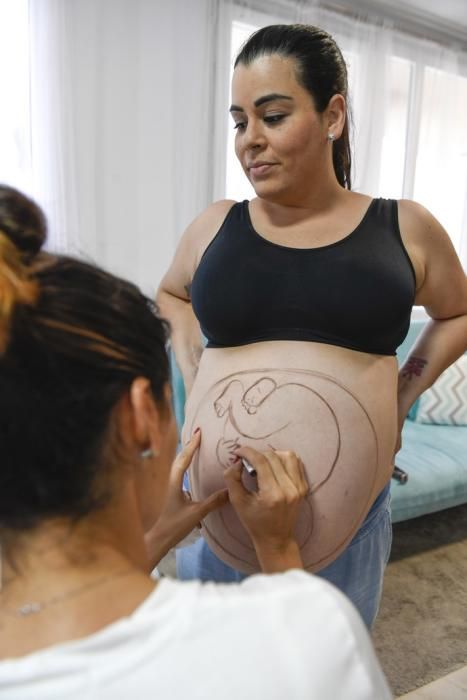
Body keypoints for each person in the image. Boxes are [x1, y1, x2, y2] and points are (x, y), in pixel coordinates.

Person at [0, 184, 393, 699]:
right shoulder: (308, 639)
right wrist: (277, 549)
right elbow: (304, 647)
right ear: (142, 416)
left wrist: (157, 535)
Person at [156, 23, 467, 628]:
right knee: (211, 674)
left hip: (344, 532)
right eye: (240, 121)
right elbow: (172, 294)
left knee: (324, 673)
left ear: (333, 116)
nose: (251, 141)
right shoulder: (215, 226)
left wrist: (401, 396)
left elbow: (459, 311)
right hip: (214, 517)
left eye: (272, 115)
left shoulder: (402, 226)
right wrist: (196, 372)